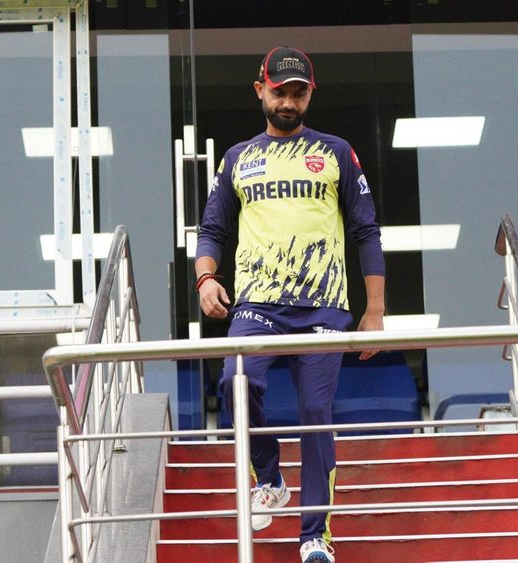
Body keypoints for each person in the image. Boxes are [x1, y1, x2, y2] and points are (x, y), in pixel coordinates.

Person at [194, 46, 385, 563]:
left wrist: (374, 311)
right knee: (235, 382)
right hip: (257, 304)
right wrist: (206, 278)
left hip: (324, 306)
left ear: (310, 96)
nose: (288, 102)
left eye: (299, 93)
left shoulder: (337, 152)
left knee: (316, 413)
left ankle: (314, 536)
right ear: (261, 90)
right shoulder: (238, 158)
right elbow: (212, 229)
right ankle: (270, 477)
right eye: (280, 91)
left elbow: (366, 231)